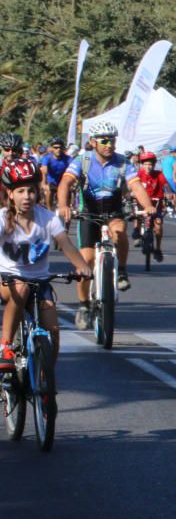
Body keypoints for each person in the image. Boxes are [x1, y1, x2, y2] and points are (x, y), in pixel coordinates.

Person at [56, 121, 157, 328]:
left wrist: (147, 206)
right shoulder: (82, 161)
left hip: (113, 213)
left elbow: (136, 187)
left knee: (120, 232)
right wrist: (64, 205)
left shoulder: (122, 163)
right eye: (105, 140)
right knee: (85, 261)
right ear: (93, 142)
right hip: (89, 215)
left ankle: (121, 270)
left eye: (112, 140)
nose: (109, 145)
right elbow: (65, 183)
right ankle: (84, 305)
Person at [0, 159, 91, 370]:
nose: (26, 197)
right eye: (20, 191)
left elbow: (66, 245)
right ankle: (5, 346)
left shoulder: (48, 218)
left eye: (31, 191)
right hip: (7, 280)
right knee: (20, 287)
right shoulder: (4, 218)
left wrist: (82, 267)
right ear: (11, 194)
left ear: (37, 193)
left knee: (53, 330)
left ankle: (46, 382)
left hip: (40, 283)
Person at [136, 152, 170, 261]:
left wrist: (169, 193)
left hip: (156, 204)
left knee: (158, 226)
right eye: (145, 164)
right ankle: (137, 232)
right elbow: (132, 186)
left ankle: (158, 249)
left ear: (154, 165)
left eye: (150, 164)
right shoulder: (139, 174)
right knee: (137, 216)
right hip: (142, 203)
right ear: (142, 165)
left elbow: (165, 185)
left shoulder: (158, 174)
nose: (148, 167)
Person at [38, 137, 73, 210]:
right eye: (56, 147)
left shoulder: (68, 158)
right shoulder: (47, 158)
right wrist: (44, 183)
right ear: (51, 148)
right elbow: (44, 170)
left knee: (69, 191)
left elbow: (72, 170)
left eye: (60, 147)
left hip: (63, 181)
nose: (58, 149)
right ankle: (49, 210)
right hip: (52, 181)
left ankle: (68, 209)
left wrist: (72, 183)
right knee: (49, 190)